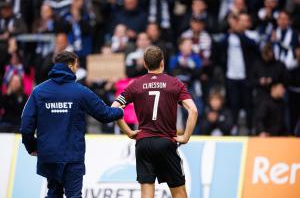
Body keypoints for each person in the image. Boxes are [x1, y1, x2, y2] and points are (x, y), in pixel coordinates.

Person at [20, 51, 124, 198]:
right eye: (76, 64)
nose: (77, 68)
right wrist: (120, 111)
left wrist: (32, 146)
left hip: (49, 154)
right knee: (74, 195)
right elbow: (105, 115)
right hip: (72, 155)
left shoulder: (39, 91)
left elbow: (26, 126)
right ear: (70, 66)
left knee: (53, 193)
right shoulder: (79, 91)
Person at [112, 46, 198, 198]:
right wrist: (185, 137)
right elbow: (193, 110)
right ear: (162, 63)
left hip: (143, 142)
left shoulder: (135, 84)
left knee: (146, 193)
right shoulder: (175, 84)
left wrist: (129, 132)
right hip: (166, 142)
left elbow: (114, 108)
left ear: (145, 64)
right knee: (179, 192)